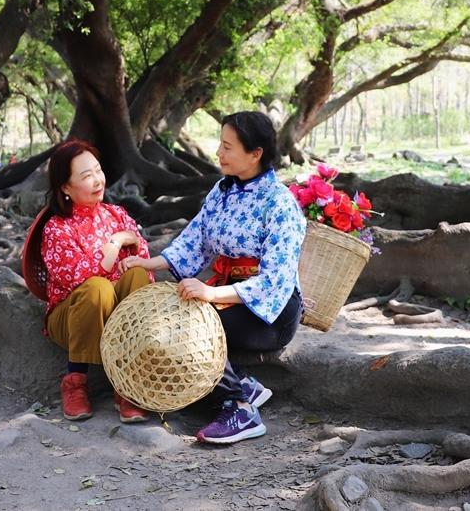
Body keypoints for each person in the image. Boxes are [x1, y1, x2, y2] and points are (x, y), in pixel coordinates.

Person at [120, 110, 305, 444]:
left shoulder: (280, 204)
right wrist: (149, 264)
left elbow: (275, 281)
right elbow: (194, 239)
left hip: (270, 312)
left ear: (255, 154)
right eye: (220, 145)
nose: (218, 154)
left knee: (192, 330)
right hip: (228, 297)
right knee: (172, 319)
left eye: (227, 147)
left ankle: (240, 408)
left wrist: (209, 294)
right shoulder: (222, 191)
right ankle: (245, 385)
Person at [41, 139, 154, 423]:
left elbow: (143, 255)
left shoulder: (117, 215)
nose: (97, 180)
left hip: (116, 313)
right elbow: (72, 277)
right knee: (97, 287)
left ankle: (126, 383)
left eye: (98, 171)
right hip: (73, 316)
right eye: (86, 176)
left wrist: (124, 240)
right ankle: (75, 381)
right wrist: (113, 251)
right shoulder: (57, 228)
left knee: (138, 275)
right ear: (65, 188)